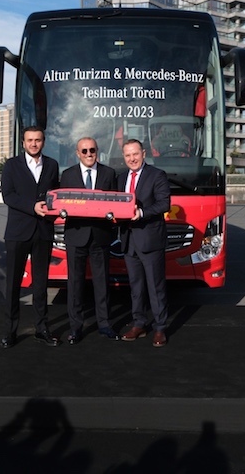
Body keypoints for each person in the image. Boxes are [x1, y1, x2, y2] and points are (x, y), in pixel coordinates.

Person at [0, 126, 60, 348]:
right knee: (13, 285)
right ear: (23, 143)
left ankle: (41, 329)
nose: (34, 144)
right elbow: (8, 195)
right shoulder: (11, 165)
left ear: (43, 142)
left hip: (43, 232)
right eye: (30, 140)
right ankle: (10, 331)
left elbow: (55, 194)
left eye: (38, 140)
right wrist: (32, 206)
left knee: (41, 285)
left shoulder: (52, 165)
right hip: (18, 232)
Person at [59, 137, 120, 344]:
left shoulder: (109, 173)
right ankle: (75, 327)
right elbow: (62, 203)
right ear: (77, 153)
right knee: (75, 283)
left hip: (100, 235)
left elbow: (115, 204)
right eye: (84, 151)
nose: (88, 154)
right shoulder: (67, 175)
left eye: (92, 150)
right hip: (76, 235)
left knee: (102, 283)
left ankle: (104, 324)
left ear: (97, 151)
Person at [117, 139, 171, 347]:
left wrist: (141, 213)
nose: (132, 158)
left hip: (150, 240)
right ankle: (139, 324)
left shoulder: (157, 175)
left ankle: (160, 328)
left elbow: (164, 203)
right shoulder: (121, 178)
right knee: (136, 286)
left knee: (155, 286)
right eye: (128, 155)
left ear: (144, 153)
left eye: (135, 154)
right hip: (128, 240)